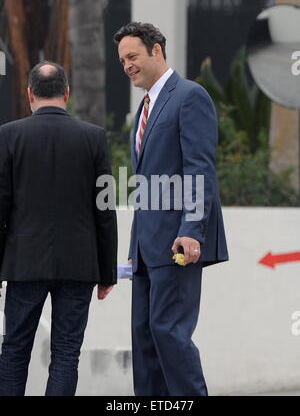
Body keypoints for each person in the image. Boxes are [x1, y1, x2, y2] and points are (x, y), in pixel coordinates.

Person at [114, 22, 228, 396]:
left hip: (177, 244)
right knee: (145, 339)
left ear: (157, 51)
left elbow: (200, 169)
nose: (127, 65)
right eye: (122, 60)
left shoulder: (189, 96)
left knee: (170, 334)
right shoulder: (147, 106)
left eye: (133, 56)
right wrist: (133, 251)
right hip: (147, 250)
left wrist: (192, 231)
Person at [0, 61, 118, 396]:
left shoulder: (8, 135)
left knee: (13, 352)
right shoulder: (94, 137)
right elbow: (105, 209)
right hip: (79, 266)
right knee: (67, 354)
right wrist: (107, 270)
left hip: (24, 264)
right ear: (67, 93)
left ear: (29, 95)